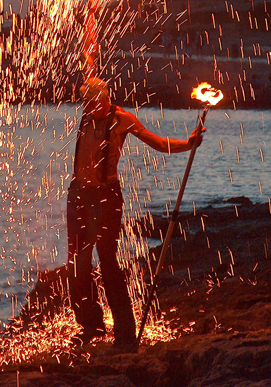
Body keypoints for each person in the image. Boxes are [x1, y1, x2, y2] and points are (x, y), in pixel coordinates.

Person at [67, 76, 205, 351]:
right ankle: (90, 326)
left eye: (93, 102)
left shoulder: (123, 120)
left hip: (107, 197)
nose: (89, 107)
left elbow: (158, 143)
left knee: (107, 262)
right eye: (86, 102)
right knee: (77, 262)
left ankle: (125, 332)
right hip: (79, 195)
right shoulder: (85, 117)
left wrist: (188, 144)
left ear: (105, 100)